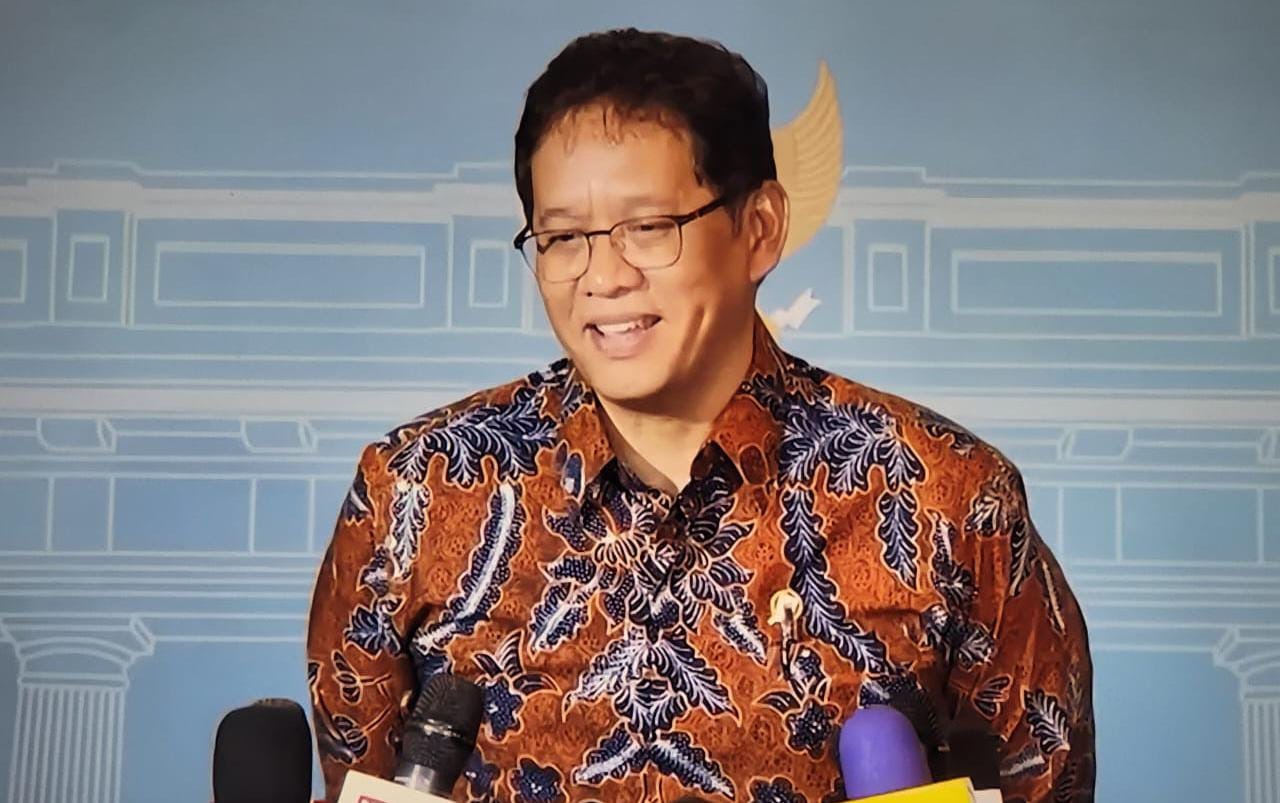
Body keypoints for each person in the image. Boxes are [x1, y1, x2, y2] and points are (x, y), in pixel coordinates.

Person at [307, 28, 1095, 803]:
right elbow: (357, 777)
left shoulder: (946, 497)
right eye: (563, 236)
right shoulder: (416, 492)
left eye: (649, 227)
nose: (602, 276)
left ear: (760, 230)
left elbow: (1043, 782)